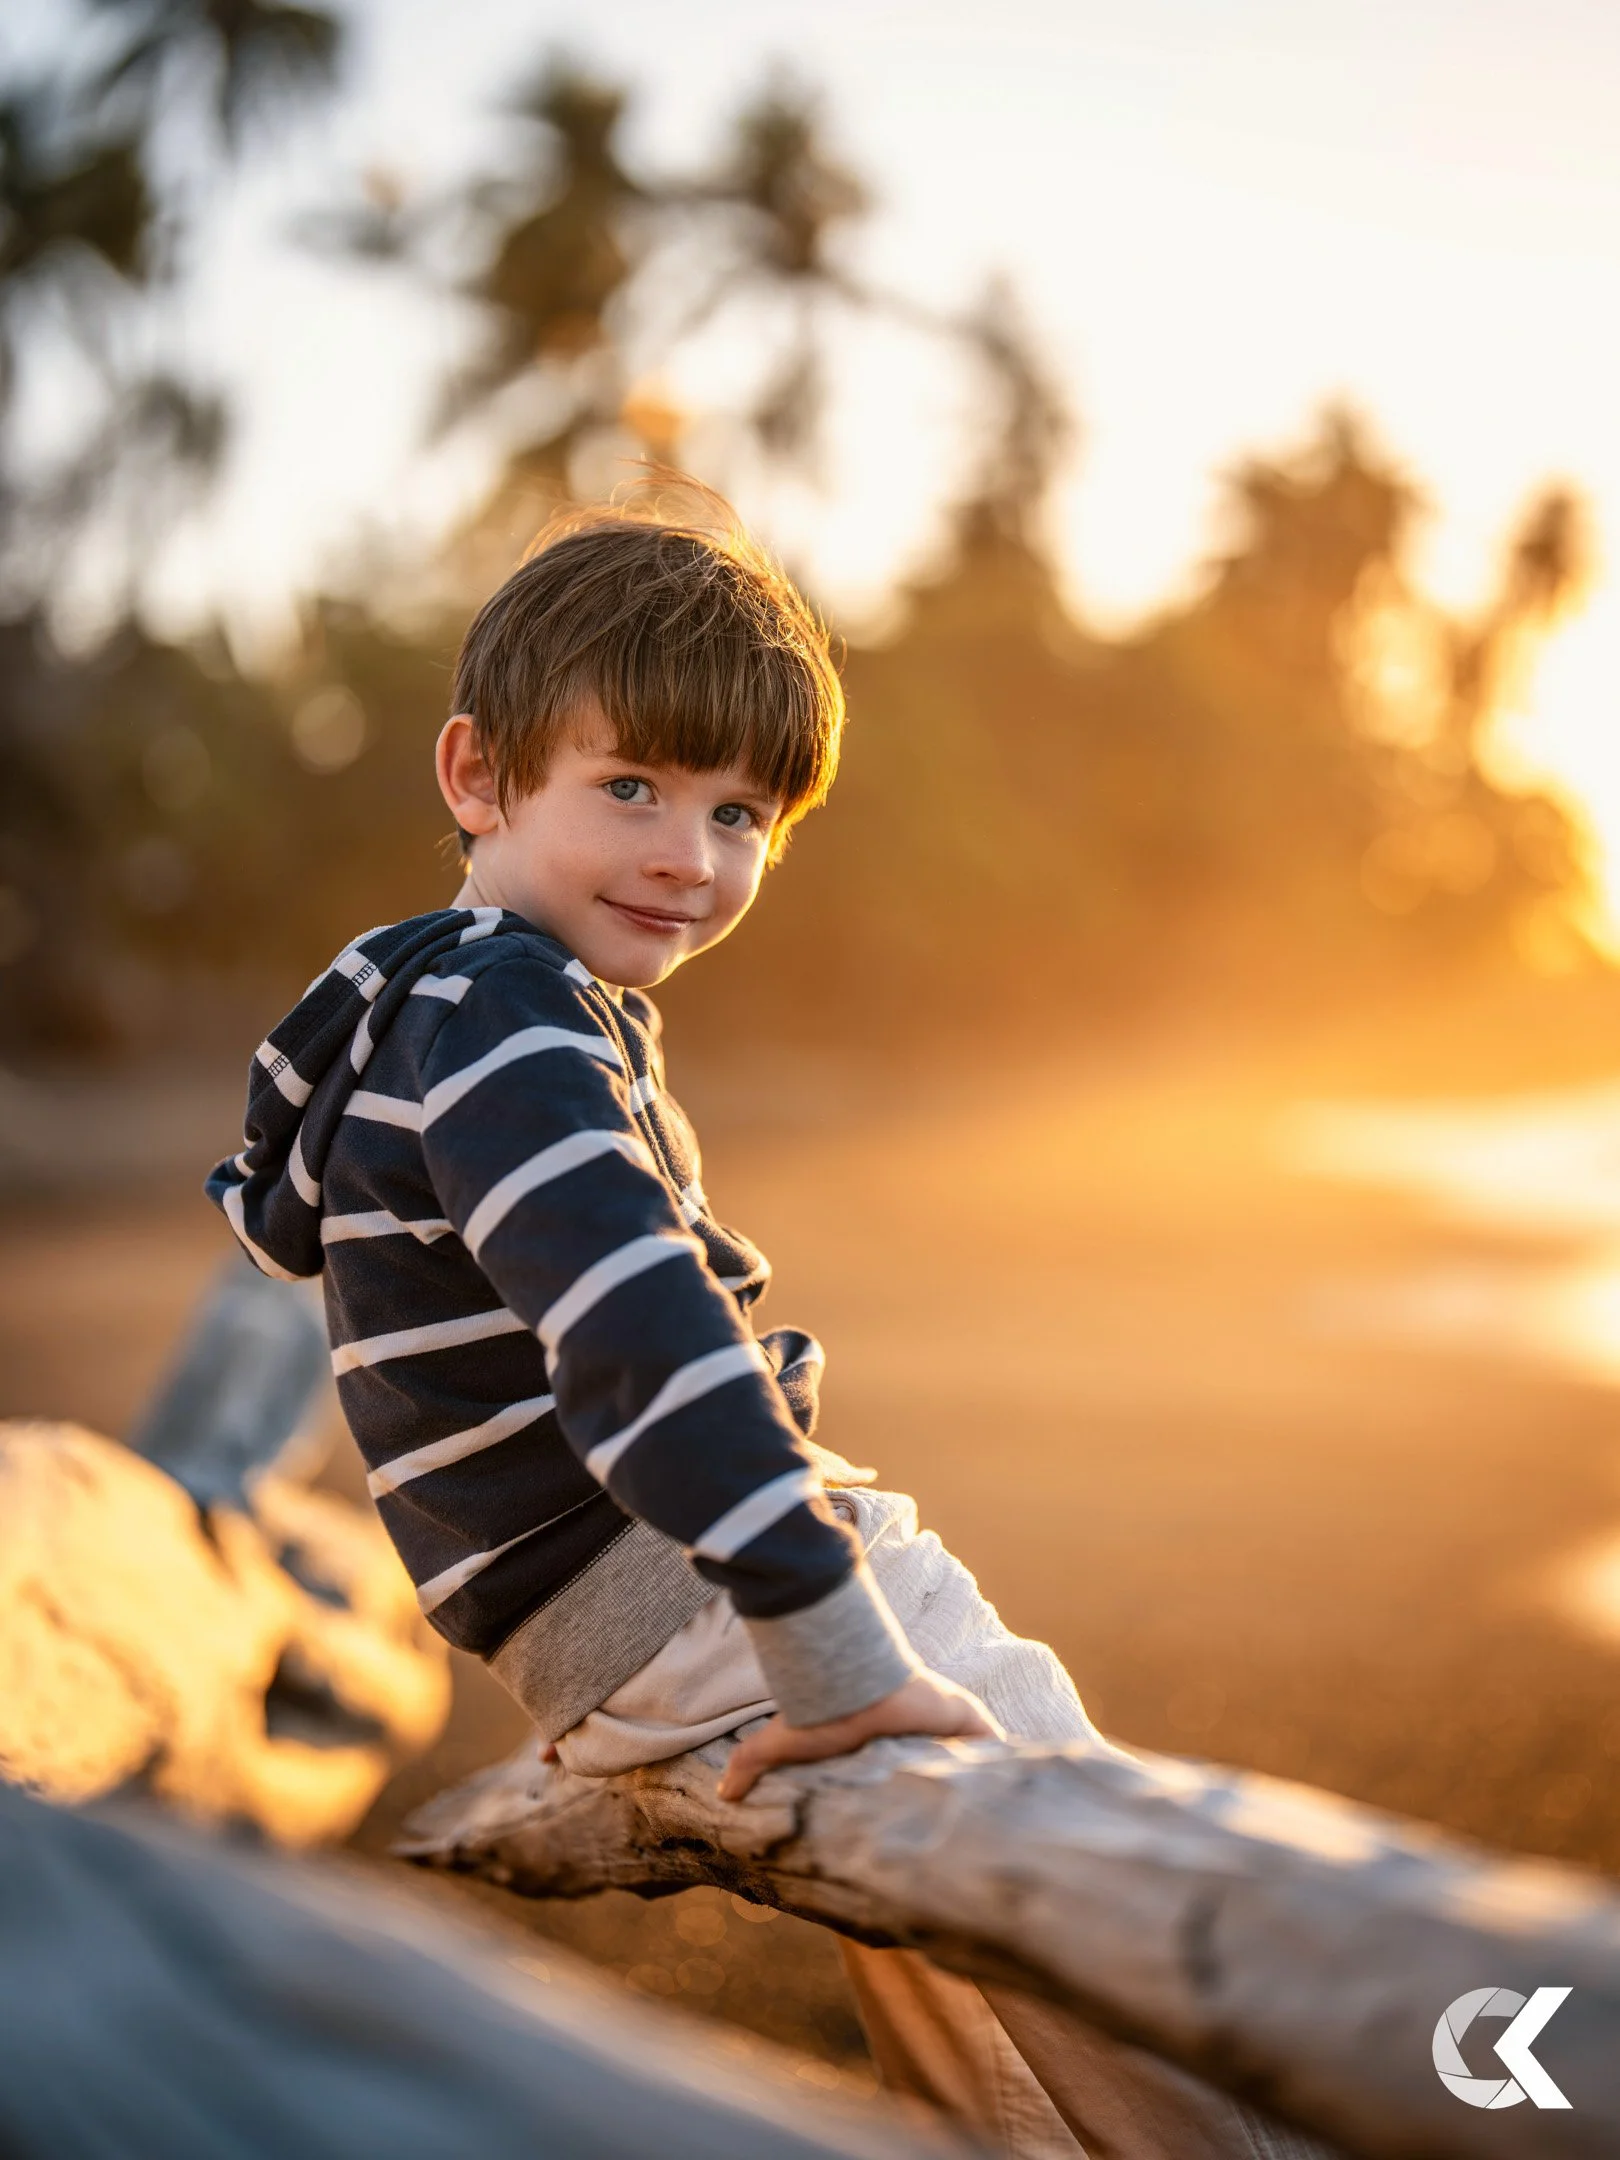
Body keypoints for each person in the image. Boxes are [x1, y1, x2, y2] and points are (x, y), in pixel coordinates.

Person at [207, 486, 1323, 2160]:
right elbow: (640, 1331)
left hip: (603, 1636)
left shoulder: (419, 1000)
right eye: (633, 787)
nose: (688, 854)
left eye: (740, 815)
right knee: (1103, 1882)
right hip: (708, 1600)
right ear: (476, 777)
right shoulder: (510, 1021)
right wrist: (836, 1644)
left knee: (961, 1965)